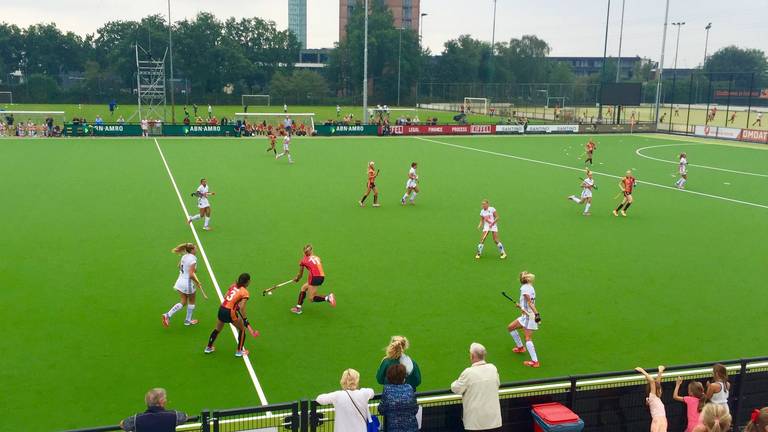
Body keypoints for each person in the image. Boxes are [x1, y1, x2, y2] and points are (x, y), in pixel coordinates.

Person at [205, 273, 259, 356]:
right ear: (247, 282)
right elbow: (242, 307)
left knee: (217, 329)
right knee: (242, 329)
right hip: (230, 312)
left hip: (222, 308)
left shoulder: (233, 286)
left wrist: (235, 304)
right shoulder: (245, 292)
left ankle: (208, 347)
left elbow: (225, 296)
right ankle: (239, 351)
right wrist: (245, 319)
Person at [451, 343, 502, 432]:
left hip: (475, 423)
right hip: (493, 420)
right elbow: (497, 383)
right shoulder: (493, 368)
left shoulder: (468, 373)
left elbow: (456, 388)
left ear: (472, 356)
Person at [163, 243, 206, 327]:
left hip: (180, 281)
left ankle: (167, 315)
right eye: (195, 248)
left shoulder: (184, 256)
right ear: (192, 250)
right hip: (187, 283)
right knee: (192, 301)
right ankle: (187, 321)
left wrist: (191, 269)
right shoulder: (193, 259)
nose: (197, 250)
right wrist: (197, 282)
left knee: (183, 301)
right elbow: (191, 274)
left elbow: (179, 266)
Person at [507, 271, 541, 367]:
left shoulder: (525, 289)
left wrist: (536, 314)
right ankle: (520, 347)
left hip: (529, 316)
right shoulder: (529, 287)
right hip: (525, 316)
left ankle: (535, 362)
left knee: (528, 338)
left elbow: (530, 303)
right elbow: (527, 303)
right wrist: (520, 306)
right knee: (510, 327)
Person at [291, 244, 336, 315]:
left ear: (303, 252)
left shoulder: (303, 261)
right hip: (321, 276)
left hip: (314, 278)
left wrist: (297, 279)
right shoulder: (317, 258)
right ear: (312, 251)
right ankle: (298, 308)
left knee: (311, 298)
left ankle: (328, 298)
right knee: (303, 288)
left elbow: (300, 274)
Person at [119, 388, 188, 432]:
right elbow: (185, 417)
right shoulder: (173, 416)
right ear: (161, 401)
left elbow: (123, 424)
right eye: (165, 398)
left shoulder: (137, 419)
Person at [379, 364, 419, 432]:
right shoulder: (409, 388)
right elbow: (415, 409)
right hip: (412, 428)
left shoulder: (387, 390)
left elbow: (382, 410)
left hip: (393, 429)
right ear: (403, 377)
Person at [636, 366, 667, 432]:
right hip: (657, 421)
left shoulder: (656, 398)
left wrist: (660, 371)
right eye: (660, 390)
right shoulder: (652, 397)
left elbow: (657, 383)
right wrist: (642, 371)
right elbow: (652, 381)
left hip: (663, 421)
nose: (661, 391)